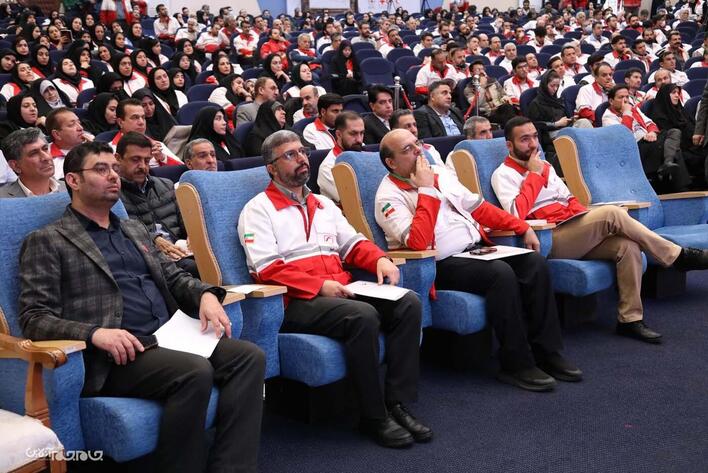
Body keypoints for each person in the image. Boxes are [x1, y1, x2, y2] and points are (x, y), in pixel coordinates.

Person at [19, 137, 264, 473]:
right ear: (73, 180)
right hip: (117, 354)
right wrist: (95, 333)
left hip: (169, 336)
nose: (113, 176)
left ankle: (231, 468)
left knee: (249, 357)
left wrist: (207, 294)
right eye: (100, 169)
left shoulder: (133, 229)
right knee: (194, 371)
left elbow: (174, 277)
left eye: (113, 169)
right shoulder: (48, 239)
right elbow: (34, 317)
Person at [238, 129, 430, 448]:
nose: (302, 158)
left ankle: (396, 402)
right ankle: (372, 416)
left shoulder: (324, 204)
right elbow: (266, 268)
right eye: (290, 155)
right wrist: (319, 285)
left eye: (303, 151)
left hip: (339, 290)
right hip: (295, 301)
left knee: (408, 303)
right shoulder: (258, 209)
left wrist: (380, 259)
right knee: (362, 316)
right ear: (271, 168)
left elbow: (353, 243)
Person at [375, 128, 580, 391]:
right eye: (407, 149)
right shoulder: (388, 196)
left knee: (534, 263)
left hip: (475, 250)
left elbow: (479, 208)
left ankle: (548, 352)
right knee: (500, 274)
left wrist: (521, 227)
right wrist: (426, 190)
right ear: (391, 162)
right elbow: (417, 242)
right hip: (439, 264)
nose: (418, 151)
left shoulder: (439, 173)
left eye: (417, 144)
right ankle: (516, 364)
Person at [491, 116, 708, 343]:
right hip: (549, 238)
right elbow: (516, 214)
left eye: (535, 137)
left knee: (628, 246)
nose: (533, 144)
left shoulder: (546, 166)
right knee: (612, 213)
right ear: (510, 145)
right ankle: (676, 256)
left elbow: (569, 200)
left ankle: (630, 319)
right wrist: (534, 175)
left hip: (575, 229)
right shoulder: (503, 174)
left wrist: (588, 220)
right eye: (525, 139)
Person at [115, 131, 198, 276]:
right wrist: (154, 239)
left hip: (182, 250)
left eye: (147, 160)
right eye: (135, 160)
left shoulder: (166, 185)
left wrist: (192, 234)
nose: (142, 166)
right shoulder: (113, 195)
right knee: (196, 268)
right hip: (150, 257)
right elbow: (122, 231)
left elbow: (184, 220)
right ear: (118, 159)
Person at [602, 84, 690, 193]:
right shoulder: (608, 117)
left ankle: (668, 163)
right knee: (673, 149)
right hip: (635, 147)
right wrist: (626, 113)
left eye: (627, 97)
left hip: (649, 140)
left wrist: (652, 132)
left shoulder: (633, 109)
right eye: (621, 97)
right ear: (611, 101)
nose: (625, 100)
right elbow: (623, 137)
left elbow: (650, 123)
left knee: (674, 132)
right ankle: (681, 188)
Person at [650, 83, 708, 187]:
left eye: (678, 93)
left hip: (694, 146)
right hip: (679, 149)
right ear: (665, 95)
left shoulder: (681, 111)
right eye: (673, 93)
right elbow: (669, 136)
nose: (677, 95)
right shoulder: (659, 115)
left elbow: (693, 128)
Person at [110, 97, 182, 166]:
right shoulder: (111, 150)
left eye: (143, 117)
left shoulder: (157, 146)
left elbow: (182, 168)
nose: (141, 122)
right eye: (135, 117)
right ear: (120, 122)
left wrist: (163, 158)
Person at [0, 127, 66, 197]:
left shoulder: (70, 189)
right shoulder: (3, 199)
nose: (46, 157)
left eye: (45, 149)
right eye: (34, 153)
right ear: (15, 166)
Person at [317, 111, 365, 201]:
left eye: (361, 133)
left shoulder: (365, 155)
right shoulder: (328, 167)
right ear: (339, 134)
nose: (359, 140)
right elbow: (353, 202)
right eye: (353, 134)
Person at [46, 107, 94, 179]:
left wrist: (95, 150)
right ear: (57, 134)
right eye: (72, 125)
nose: (80, 128)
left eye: (79, 123)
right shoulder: (46, 158)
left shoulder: (91, 146)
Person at [575, 61, 613, 126]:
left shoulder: (615, 90)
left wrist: (614, 92)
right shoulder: (586, 89)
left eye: (610, 74)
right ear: (596, 77)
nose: (609, 77)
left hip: (612, 122)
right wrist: (605, 119)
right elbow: (584, 112)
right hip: (593, 125)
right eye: (604, 75)